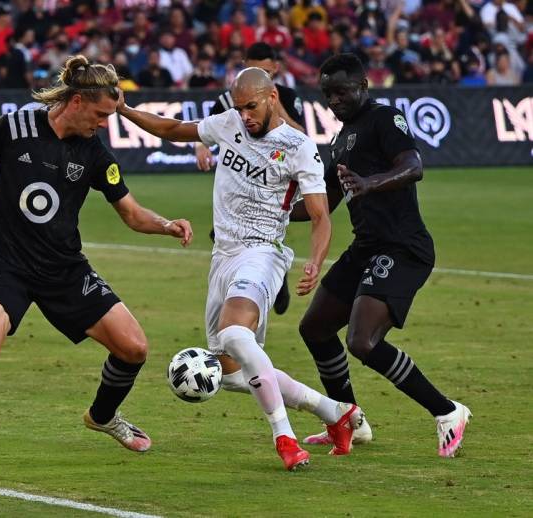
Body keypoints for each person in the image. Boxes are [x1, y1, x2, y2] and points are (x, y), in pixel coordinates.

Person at [0, 55, 193, 481]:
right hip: (8, 267)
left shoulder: (94, 152)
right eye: (99, 114)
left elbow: (132, 214)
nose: (103, 124)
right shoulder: (14, 127)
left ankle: (102, 416)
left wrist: (168, 225)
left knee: (134, 348)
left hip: (65, 268)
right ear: (77, 101)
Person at [117, 67, 361, 471]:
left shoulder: (299, 146)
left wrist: (315, 262)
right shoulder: (229, 123)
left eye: (251, 107)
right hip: (223, 255)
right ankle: (337, 413)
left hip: (262, 252)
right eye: (239, 107)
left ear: (271, 98)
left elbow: (321, 216)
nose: (245, 116)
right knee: (232, 371)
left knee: (234, 334)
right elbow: (174, 129)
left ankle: (285, 438)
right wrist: (124, 109)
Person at [293, 53, 471, 457]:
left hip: (403, 247)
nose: (334, 101)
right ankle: (350, 421)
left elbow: (414, 165)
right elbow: (324, 202)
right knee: (316, 328)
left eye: (342, 91)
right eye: (327, 95)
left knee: (362, 341)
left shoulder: (385, 119)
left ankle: (447, 411)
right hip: (366, 248)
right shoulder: (340, 140)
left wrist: (371, 183)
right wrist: (271, 212)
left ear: (364, 86)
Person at [195, 42, 306, 316]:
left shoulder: (287, 97)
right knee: (228, 234)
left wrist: (273, 106)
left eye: (266, 71)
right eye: (254, 70)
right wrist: (202, 147)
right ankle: (251, 280)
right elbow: (205, 127)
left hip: (276, 177)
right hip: (241, 176)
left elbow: (300, 133)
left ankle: (268, 277)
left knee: (267, 234)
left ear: (276, 69)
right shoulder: (228, 99)